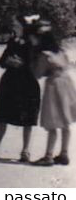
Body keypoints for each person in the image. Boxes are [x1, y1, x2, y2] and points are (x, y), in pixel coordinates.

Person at [0, 15, 43, 162]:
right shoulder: (12, 41)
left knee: (28, 119)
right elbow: (1, 61)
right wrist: (8, 61)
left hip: (27, 84)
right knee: (3, 116)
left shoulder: (32, 43)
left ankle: (25, 151)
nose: (15, 28)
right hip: (10, 83)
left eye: (17, 25)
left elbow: (34, 63)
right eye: (14, 25)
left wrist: (21, 64)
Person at [34, 21, 74, 166]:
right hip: (67, 84)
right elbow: (67, 65)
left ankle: (48, 155)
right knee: (65, 121)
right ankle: (64, 153)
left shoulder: (45, 55)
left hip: (54, 85)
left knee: (53, 122)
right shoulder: (61, 51)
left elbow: (37, 74)